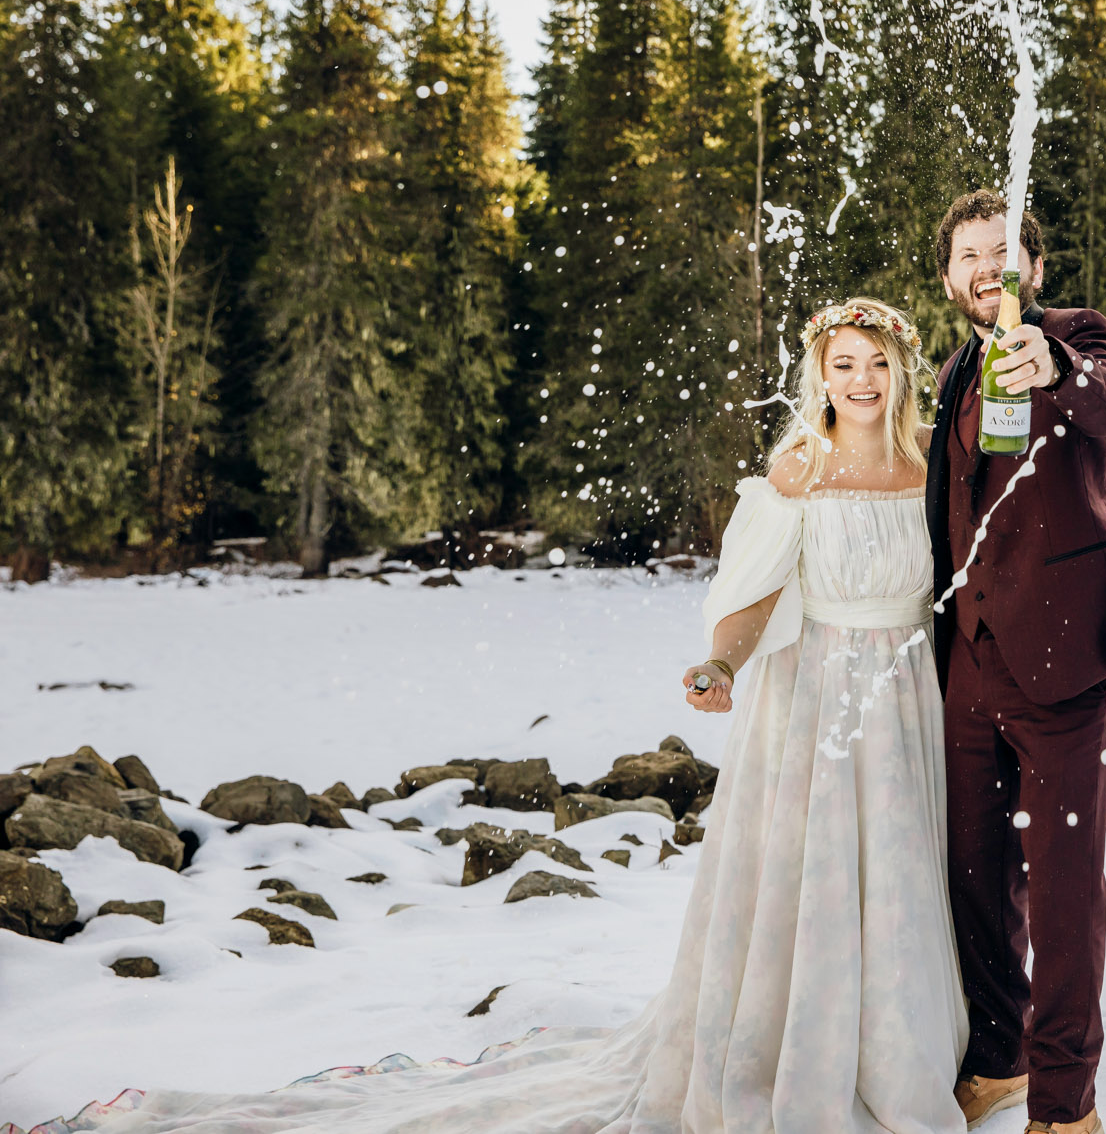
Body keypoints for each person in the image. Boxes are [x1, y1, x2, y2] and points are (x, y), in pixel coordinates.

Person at [58, 298, 966, 1134]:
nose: (860, 380)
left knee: (894, 880)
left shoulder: (932, 459)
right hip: (810, 702)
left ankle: (895, 1053)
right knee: (810, 882)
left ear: (901, 368)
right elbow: (758, 589)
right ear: (820, 372)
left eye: (875, 363)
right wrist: (721, 661)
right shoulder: (797, 466)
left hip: (905, 690)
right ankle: (801, 1057)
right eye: (843, 363)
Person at [926, 190, 1106, 1134]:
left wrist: (1055, 364)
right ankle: (999, 1054)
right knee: (972, 873)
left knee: (1061, 886)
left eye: (1003, 251)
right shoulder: (948, 373)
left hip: (1068, 661)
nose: (987, 267)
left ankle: (1065, 1106)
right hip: (970, 662)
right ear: (948, 278)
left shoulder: (1075, 338)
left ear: (1035, 268)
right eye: (969, 255)